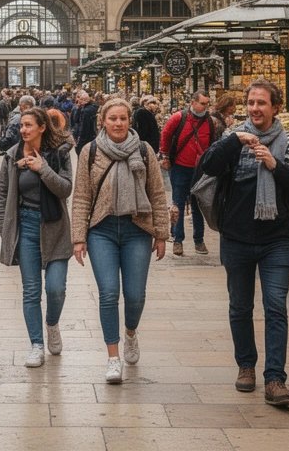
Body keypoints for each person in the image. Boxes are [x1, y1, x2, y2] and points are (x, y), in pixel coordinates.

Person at [196, 79, 289, 406]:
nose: (255, 109)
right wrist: (234, 141)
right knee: (240, 306)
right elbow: (208, 165)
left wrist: (274, 165)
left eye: (262, 103)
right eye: (251, 103)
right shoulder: (232, 139)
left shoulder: (288, 143)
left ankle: (275, 379)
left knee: (275, 306)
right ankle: (245, 366)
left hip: (275, 238)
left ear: (275, 107)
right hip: (237, 237)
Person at [70, 98, 170, 384]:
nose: (118, 123)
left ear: (129, 120)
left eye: (123, 118)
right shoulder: (90, 152)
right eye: (112, 118)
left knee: (136, 295)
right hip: (101, 230)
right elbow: (81, 198)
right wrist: (79, 238)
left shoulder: (144, 150)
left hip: (137, 227)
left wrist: (161, 234)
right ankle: (113, 357)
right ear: (103, 120)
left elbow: (157, 193)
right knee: (109, 293)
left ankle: (130, 333)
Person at [0, 107, 74, 368]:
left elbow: (65, 189)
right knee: (31, 291)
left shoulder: (60, 153)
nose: (23, 130)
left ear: (42, 127)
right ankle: (36, 345)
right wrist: (6, 230)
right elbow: (3, 195)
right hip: (26, 226)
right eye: (21, 126)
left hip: (55, 226)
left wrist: (43, 169)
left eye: (29, 125)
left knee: (56, 288)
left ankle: (52, 323)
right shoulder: (12, 155)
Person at [159, 91, 223, 256]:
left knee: (198, 206)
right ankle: (178, 240)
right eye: (202, 103)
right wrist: (165, 155)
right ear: (193, 103)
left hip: (200, 170)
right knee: (178, 204)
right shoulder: (178, 118)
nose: (205, 107)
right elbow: (166, 135)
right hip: (180, 167)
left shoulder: (209, 121)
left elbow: (212, 143)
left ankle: (199, 241)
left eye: (207, 104)